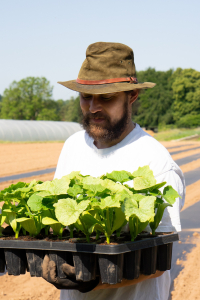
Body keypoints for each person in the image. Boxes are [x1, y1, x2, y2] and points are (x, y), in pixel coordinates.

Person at [42, 42, 185, 300]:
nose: (94, 107)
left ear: (132, 96)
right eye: (86, 96)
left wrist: (95, 278)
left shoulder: (156, 162)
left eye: (106, 98)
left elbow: (161, 260)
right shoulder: (73, 146)